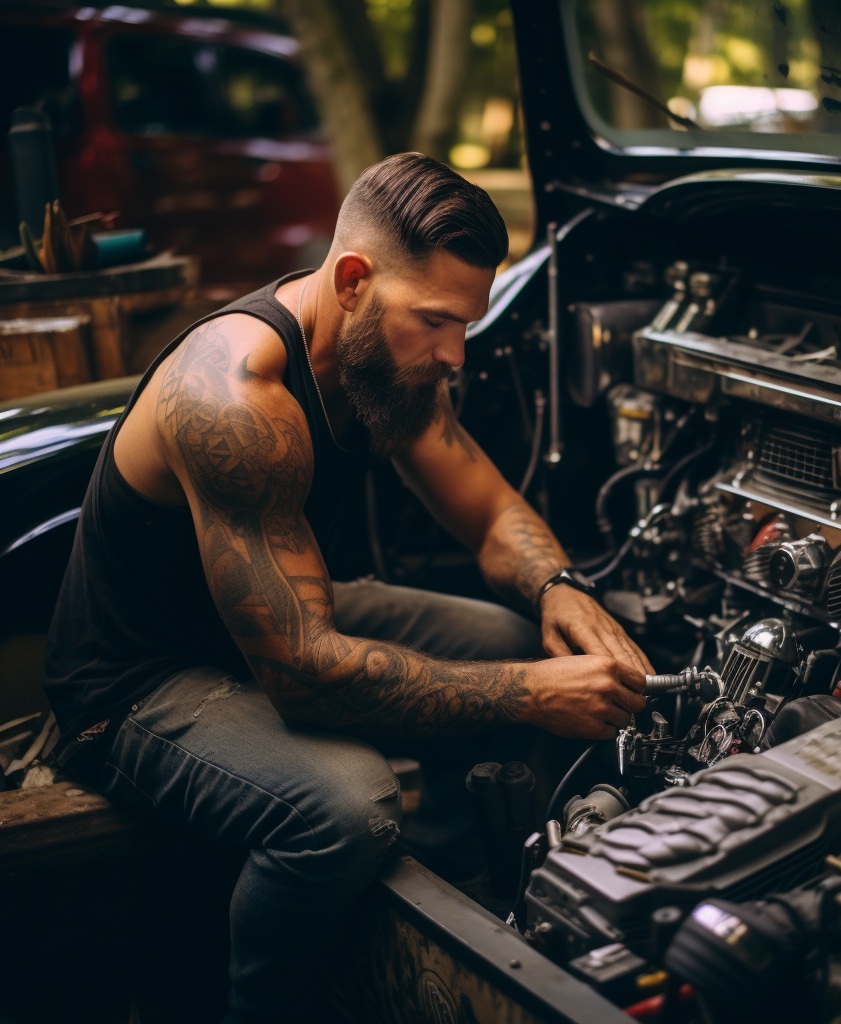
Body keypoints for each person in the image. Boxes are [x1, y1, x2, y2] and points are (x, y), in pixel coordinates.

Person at [44, 153, 652, 1023]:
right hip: (140, 681)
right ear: (355, 279)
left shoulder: (386, 358)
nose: (454, 355)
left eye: (465, 325)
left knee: (523, 637)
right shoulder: (235, 394)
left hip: (277, 622)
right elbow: (304, 674)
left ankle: (452, 912)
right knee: (346, 807)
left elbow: (485, 511)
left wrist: (560, 586)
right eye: (438, 321)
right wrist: (530, 696)